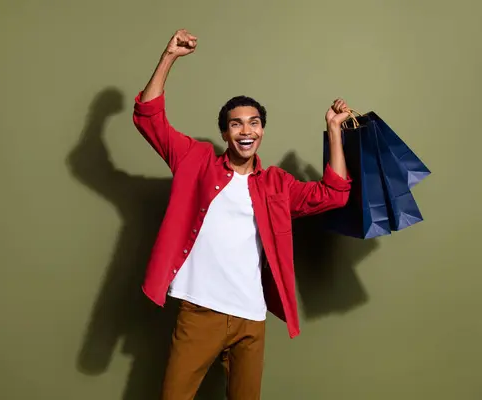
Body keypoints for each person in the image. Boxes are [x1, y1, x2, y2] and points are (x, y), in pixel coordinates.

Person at [132, 29, 353, 400]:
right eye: (236, 124)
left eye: (253, 123)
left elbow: (334, 194)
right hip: (200, 310)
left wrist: (334, 130)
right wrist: (168, 57)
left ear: (262, 130)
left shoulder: (276, 185)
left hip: (251, 318)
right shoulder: (196, 160)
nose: (246, 130)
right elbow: (148, 119)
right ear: (225, 133)